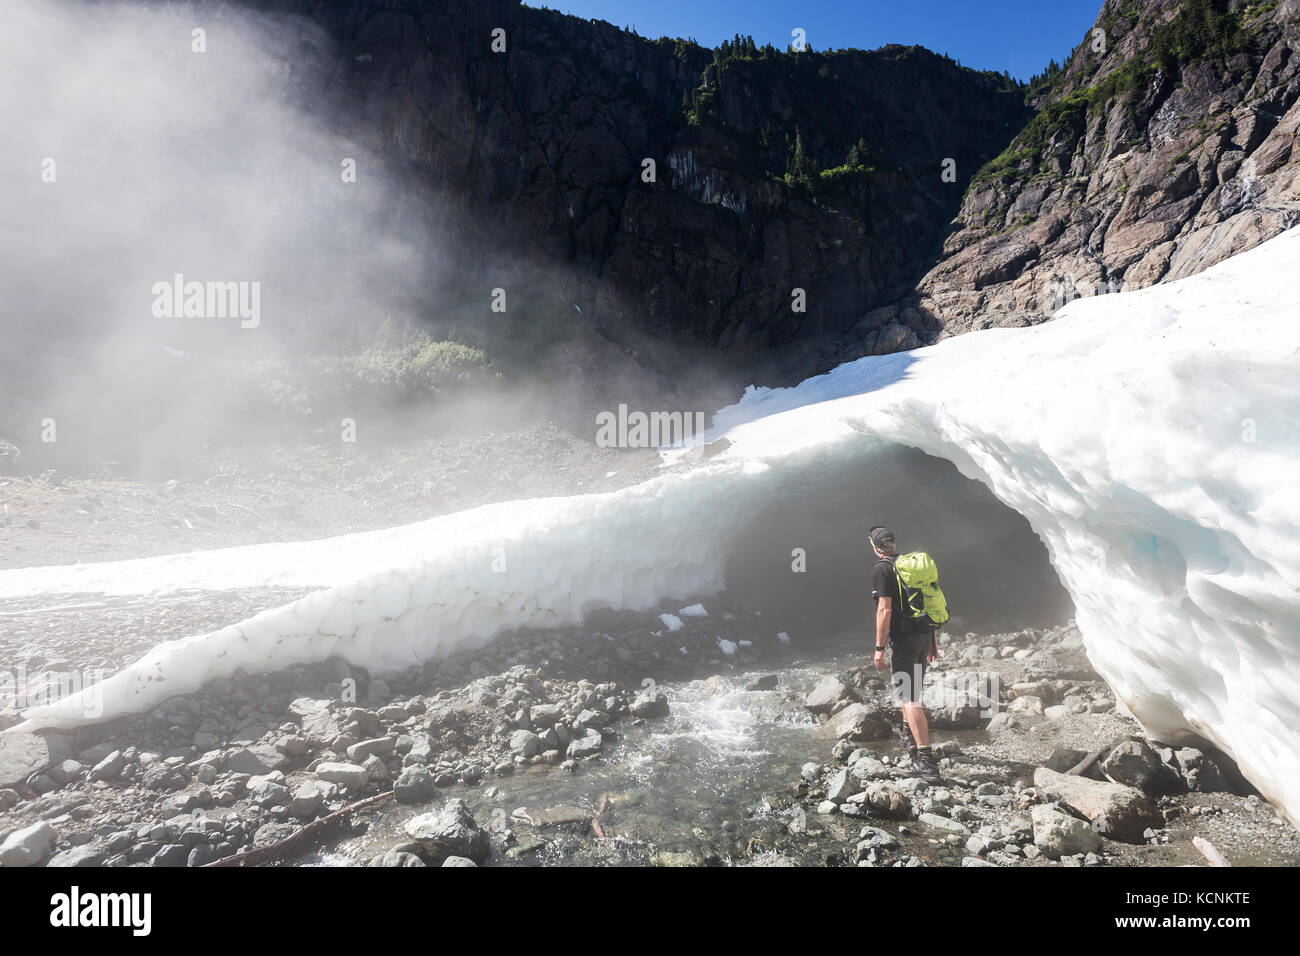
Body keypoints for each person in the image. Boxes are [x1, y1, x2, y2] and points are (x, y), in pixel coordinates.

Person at [869, 525, 942, 782]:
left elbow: (885, 610)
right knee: (910, 693)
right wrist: (932, 639)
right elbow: (926, 604)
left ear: (875, 547)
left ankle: (926, 763)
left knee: (909, 698)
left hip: (904, 640)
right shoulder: (910, 565)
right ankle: (910, 748)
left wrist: (879, 648)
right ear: (894, 543)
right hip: (923, 636)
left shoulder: (882, 568)